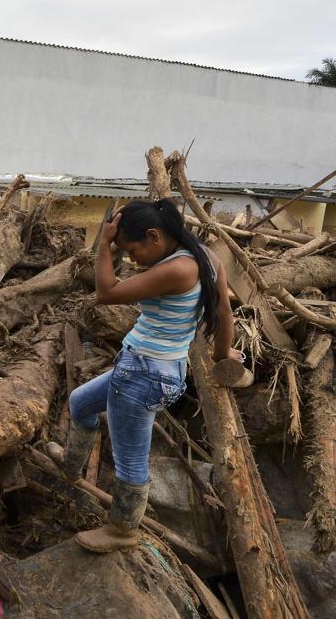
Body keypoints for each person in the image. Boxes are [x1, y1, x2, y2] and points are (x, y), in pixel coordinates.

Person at [52, 198, 237, 552]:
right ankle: (71, 466)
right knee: (81, 403)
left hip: (142, 376)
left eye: (132, 250)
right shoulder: (206, 257)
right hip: (153, 371)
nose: (132, 259)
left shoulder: (179, 269)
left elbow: (105, 293)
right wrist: (222, 354)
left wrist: (104, 245)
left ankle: (122, 530)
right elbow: (224, 310)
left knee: (130, 461)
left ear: (154, 236)